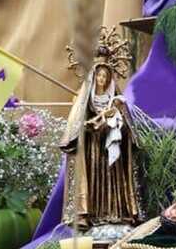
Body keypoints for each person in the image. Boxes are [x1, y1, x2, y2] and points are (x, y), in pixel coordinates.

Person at [60, 29, 141, 231]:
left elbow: (128, 126)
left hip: (111, 150)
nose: (102, 79)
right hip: (93, 149)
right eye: (99, 76)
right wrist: (88, 126)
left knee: (112, 179)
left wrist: (118, 121)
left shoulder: (116, 98)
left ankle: (115, 214)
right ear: (93, 77)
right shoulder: (85, 100)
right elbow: (77, 124)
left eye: (105, 76)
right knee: (94, 180)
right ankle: (93, 215)